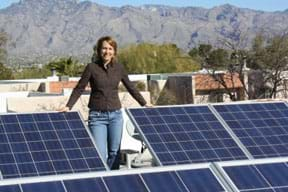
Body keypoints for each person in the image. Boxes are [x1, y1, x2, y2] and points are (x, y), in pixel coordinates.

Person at [58, 36, 150, 170]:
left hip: (116, 117)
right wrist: (68, 106)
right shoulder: (91, 68)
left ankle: (112, 182)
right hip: (97, 117)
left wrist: (144, 103)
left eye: (110, 49)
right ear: (99, 51)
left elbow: (130, 87)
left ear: (114, 51)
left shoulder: (119, 68)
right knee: (99, 154)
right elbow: (79, 88)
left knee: (114, 153)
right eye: (104, 48)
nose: (107, 51)